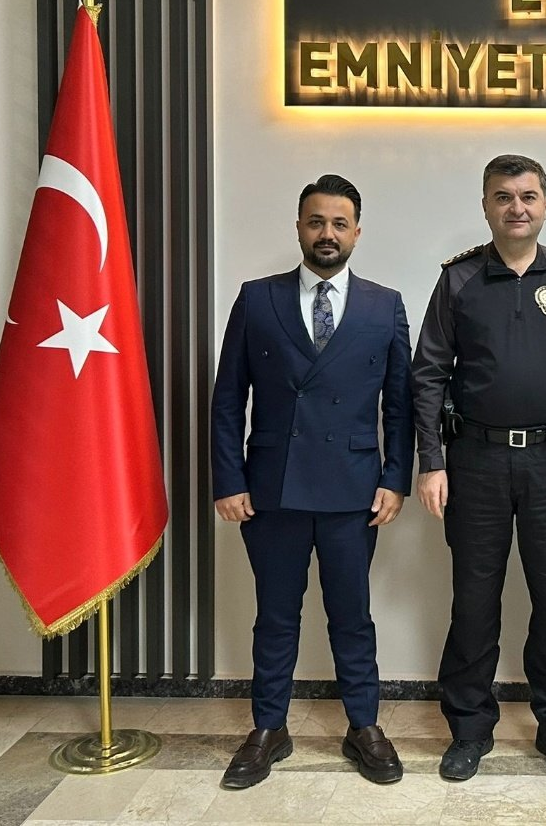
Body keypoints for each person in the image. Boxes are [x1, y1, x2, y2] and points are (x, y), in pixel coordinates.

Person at [411, 153, 546, 782]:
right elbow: (428, 373)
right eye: (503, 197)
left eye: (528, 196)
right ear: (486, 206)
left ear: (545, 205)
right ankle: (469, 730)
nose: (516, 207)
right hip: (475, 461)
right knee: (474, 602)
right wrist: (431, 462)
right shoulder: (459, 280)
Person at [211, 174, 413, 789]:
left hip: (355, 489)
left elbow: (400, 407)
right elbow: (228, 399)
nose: (328, 233)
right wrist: (228, 478)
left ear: (357, 232)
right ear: (299, 227)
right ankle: (269, 727)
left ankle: (364, 726)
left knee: (352, 615)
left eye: (339, 223)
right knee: (276, 615)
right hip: (272, 487)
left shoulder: (385, 304)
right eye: (316, 222)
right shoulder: (257, 298)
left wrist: (395, 478)